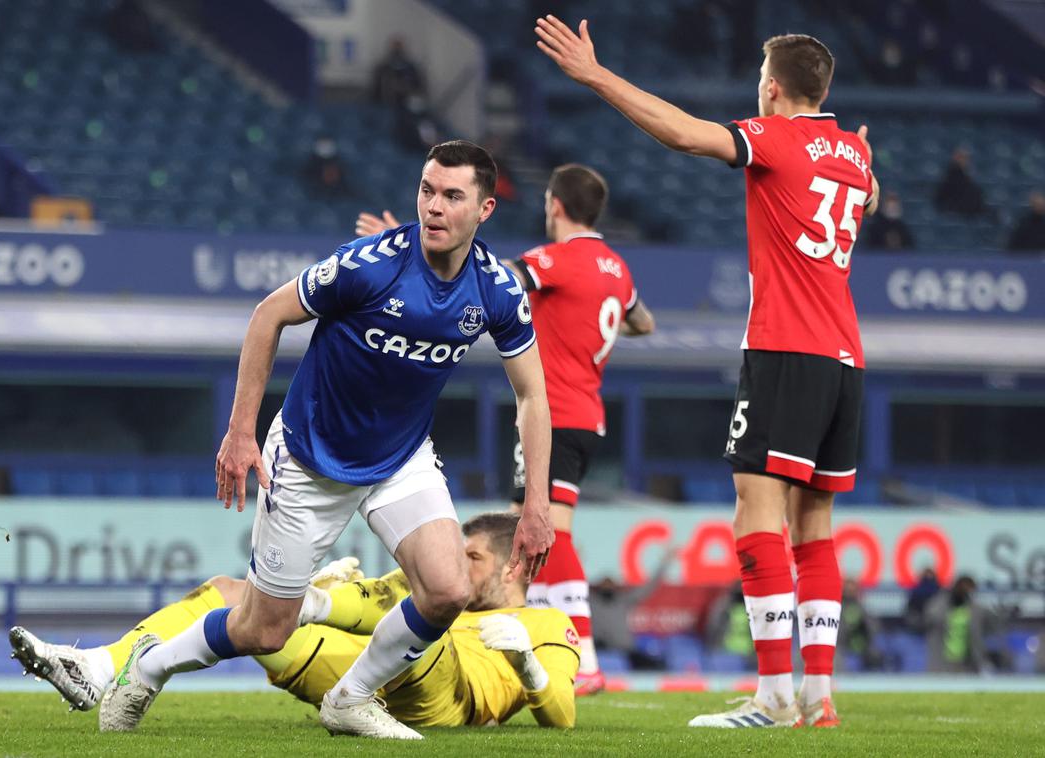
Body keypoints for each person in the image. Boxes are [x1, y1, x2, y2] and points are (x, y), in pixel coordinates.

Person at [87, 140, 553, 740]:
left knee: (448, 590)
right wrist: (240, 432)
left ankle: (351, 699)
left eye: (452, 196)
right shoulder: (369, 265)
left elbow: (533, 396)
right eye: (426, 190)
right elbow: (267, 316)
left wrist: (535, 503)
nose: (433, 207)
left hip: (400, 457)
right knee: (264, 629)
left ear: (485, 209)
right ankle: (148, 666)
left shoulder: (496, 290)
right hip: (312, 457)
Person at [536, 17, 879, 729]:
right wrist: (863, 176)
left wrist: (597, 77)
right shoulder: (853, 154)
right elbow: (868, 197)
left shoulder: (776, 136)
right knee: (815, 523)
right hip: (847, 355)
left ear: (774, 88)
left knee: (756, 510)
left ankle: (773, 696)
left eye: (760, 81)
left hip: (786, 349)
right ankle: (818, 700)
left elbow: (684, 133)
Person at [356, 164, 655, 695]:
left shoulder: (555, 260)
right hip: (591, 415)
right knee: (528, 531)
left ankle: (581, 656)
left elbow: (499, 279)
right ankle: (544, 638)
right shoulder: (616, 267)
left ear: (555, 206)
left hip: (555, 413)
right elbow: (642, 322)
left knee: (545, 532)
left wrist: (406, 253)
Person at [9, 513, 578, 729]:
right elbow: (385, 602)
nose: (461, 564)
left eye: (473, 557)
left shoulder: (547, 626)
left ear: (514, 566)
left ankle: (319, 603)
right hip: (366, 678)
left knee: (423, 599)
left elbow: (563, 719)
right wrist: (324, 590)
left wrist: (528, 668)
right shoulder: (436, 586)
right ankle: (100, 668)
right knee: (237, 598)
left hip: (450, 698)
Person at [933, 147, 985, 218]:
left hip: (968, 213)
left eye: (965, 158)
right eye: (960, 157)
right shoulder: (950, 177)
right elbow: (941, 199)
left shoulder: (968, 177)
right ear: (954, 159)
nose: (964, 160)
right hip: (955, 213)